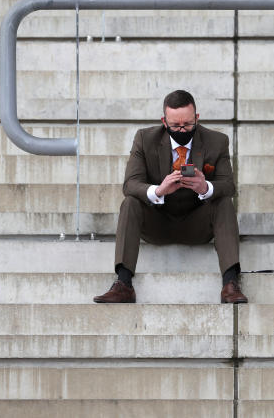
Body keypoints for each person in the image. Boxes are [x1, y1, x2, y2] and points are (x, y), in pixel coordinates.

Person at [93, 89, 248, 304]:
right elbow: (130, 184)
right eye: (176, 125)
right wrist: (158, 190)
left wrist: (205, 188)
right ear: (164, 121)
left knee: (223, 202)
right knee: (130, 203)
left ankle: (230, 283)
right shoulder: (145, 139)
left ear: (197, 118)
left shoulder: (217, 141)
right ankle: (123, 283)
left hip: (198, 224)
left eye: (188, 124)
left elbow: (228, 186)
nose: (182, 130)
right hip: (158, 223)